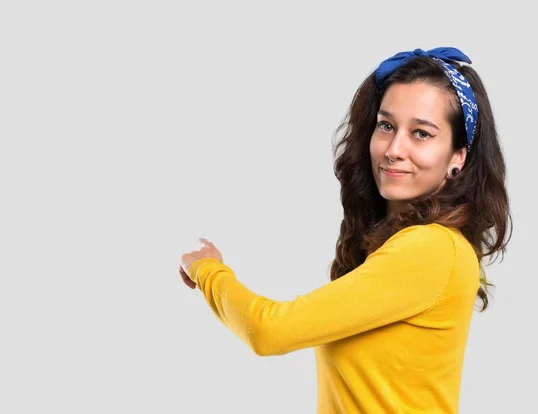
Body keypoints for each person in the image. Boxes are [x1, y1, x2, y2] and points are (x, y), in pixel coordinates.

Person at [178, 46, 512, 413]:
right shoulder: (403, 245)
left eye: (421, 133)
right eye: (386, 126)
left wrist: (207, 269)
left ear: (457, 156)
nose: (394, 149)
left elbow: (269, 330)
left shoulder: (432, 248)